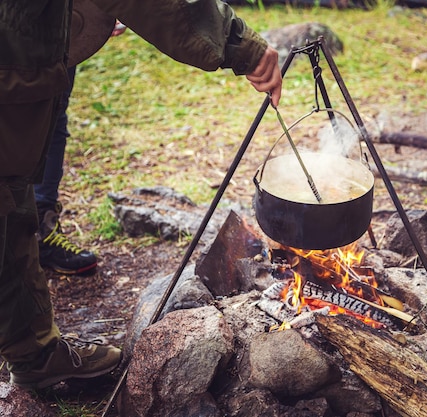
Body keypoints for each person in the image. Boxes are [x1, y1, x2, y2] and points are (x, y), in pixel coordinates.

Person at [0, 0, 282, 390]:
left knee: (10, 204)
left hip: (17, 61)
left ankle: (34, 354)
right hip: (12, 65)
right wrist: (241, 44)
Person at [35, 21, 127, 276]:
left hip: (57, 32)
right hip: (19, 37)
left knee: (54, 118)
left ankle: (42, 230)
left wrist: (96, 14)